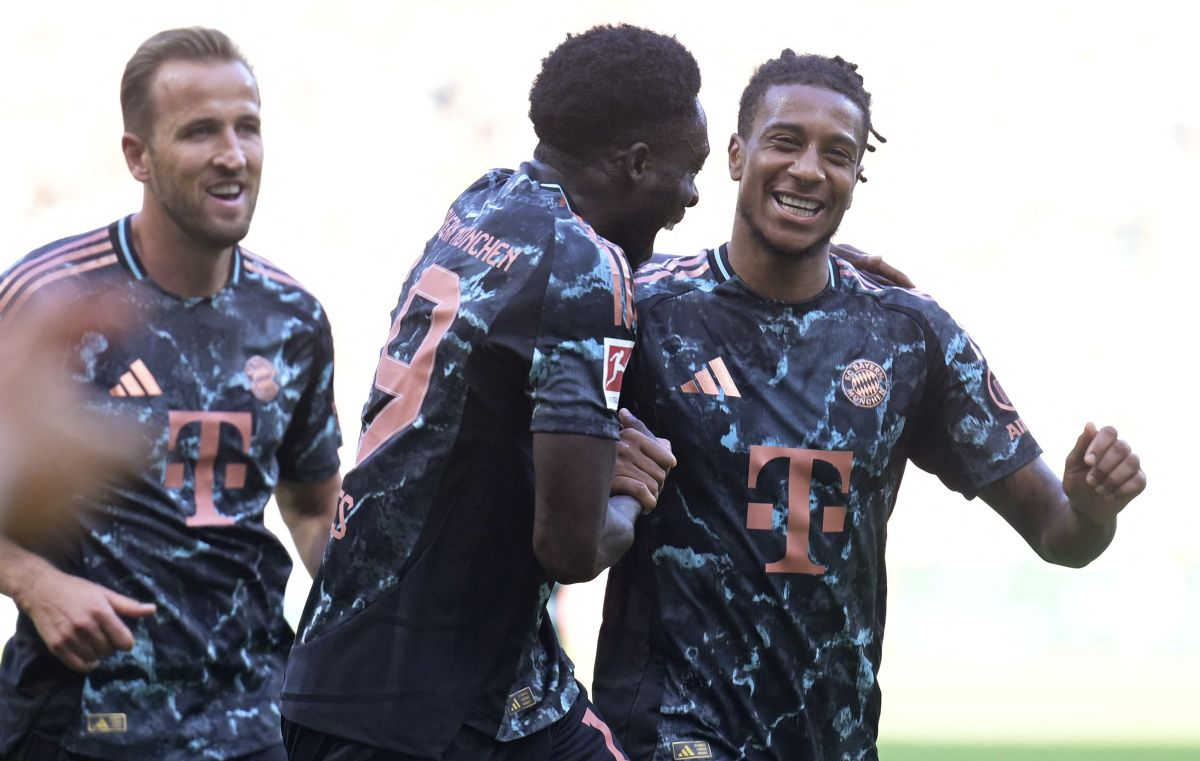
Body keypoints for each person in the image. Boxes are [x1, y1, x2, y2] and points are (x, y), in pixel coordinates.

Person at [592, 50, 1147, 761]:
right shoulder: (641, 305)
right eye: (786, 141)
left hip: (833, 740)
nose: (808, 169)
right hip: (666, 734)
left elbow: (1060, 534)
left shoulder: (910, 336)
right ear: (736, 155)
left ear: (856, 177)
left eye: (838, 154)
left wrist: (1095, 507)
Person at [277, 23, 699, 761]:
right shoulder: (585, 268)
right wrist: (633, 487)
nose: (692, 197)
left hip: (382, 675)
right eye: (687, 170)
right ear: (637, 164)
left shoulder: (487, 203)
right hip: (412, 712)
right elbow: (571, 547)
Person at [0, 27, 342, 761]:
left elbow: (313, 506)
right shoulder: (50, 303)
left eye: (246, 126)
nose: (232, 154)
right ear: (138, 157)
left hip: (251, 717)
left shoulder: (293, 318)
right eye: (199, 131)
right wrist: (36, 582)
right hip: (80, 721)